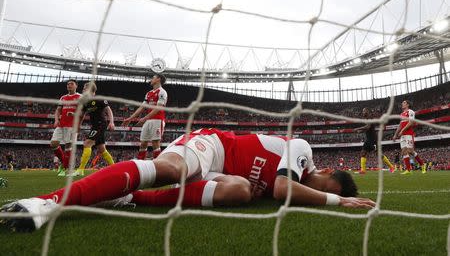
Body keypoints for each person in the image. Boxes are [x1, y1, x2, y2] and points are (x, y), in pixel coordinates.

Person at [0, 128, 374, 232]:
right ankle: (47, 201)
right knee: (172, 171)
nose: (308, 194)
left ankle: (127, 199)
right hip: (212, 146)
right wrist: (337, 201)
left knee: (241, 192)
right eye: (319, 188)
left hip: (226, 173)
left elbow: (274, 190)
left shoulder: (290, 177)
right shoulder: (303, 150)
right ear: (323, 172)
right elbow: (283, 189)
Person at [70, 82, 115, 177]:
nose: (83, 90)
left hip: (100, 124)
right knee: (102, 149)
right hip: (95, 126)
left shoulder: (99, 99)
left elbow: (108, 110)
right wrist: (73, 114)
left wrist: (111, 122)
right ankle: (114, 168)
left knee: (87, 143)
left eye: (85, 89)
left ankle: (80, 170)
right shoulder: (86, 102)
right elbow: (81, 114)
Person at [122, 74, 167, 160]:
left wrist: (144, 118)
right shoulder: (149, 93)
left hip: (158, 120)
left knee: (155, 143)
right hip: (148, 120)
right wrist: (130, 118)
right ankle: (140, 161)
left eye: (153, 78)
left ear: (158, 79)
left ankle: (157, 164)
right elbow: (142, 107)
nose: (151, 80)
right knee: (143, 143)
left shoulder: (162, 92)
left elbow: (158, 108)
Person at [50, 79, 82, 177]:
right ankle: (65, 163)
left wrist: (74, 114)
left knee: (68, 147)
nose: (69, 85)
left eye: (71, 84)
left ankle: (64, 169)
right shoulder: (63, 98)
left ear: (76, 86)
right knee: (53, 144)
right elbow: (58, 110)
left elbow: (83, 112)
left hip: (72, 125)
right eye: (68, 84)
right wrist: (56, 120)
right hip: (61, 124)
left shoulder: (80, 97)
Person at [354, 108, 395, 174]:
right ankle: (363, 170)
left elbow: (368, 127)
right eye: (363, 111)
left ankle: (391, 167)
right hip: (368, 139)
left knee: (379, 154)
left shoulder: (370, 118)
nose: (363, 112)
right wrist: (361, 131)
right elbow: (368, 128)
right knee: (363, 153)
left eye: (364, 111)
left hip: (373, 139)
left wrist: (358, 128)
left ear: (368, 111)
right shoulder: (367, 119)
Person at [393, 100, 426, 174]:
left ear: (408, 105)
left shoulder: (411, 112)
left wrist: (402, 131)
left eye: (404, 103)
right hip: (402, 135)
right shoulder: (401, 114)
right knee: (404, 151)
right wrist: (395, 134)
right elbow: (400, 125)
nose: (402, 104)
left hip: (408, 134)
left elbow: (410, 123)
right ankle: (408, 170)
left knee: (410, 151)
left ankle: (422, 164)